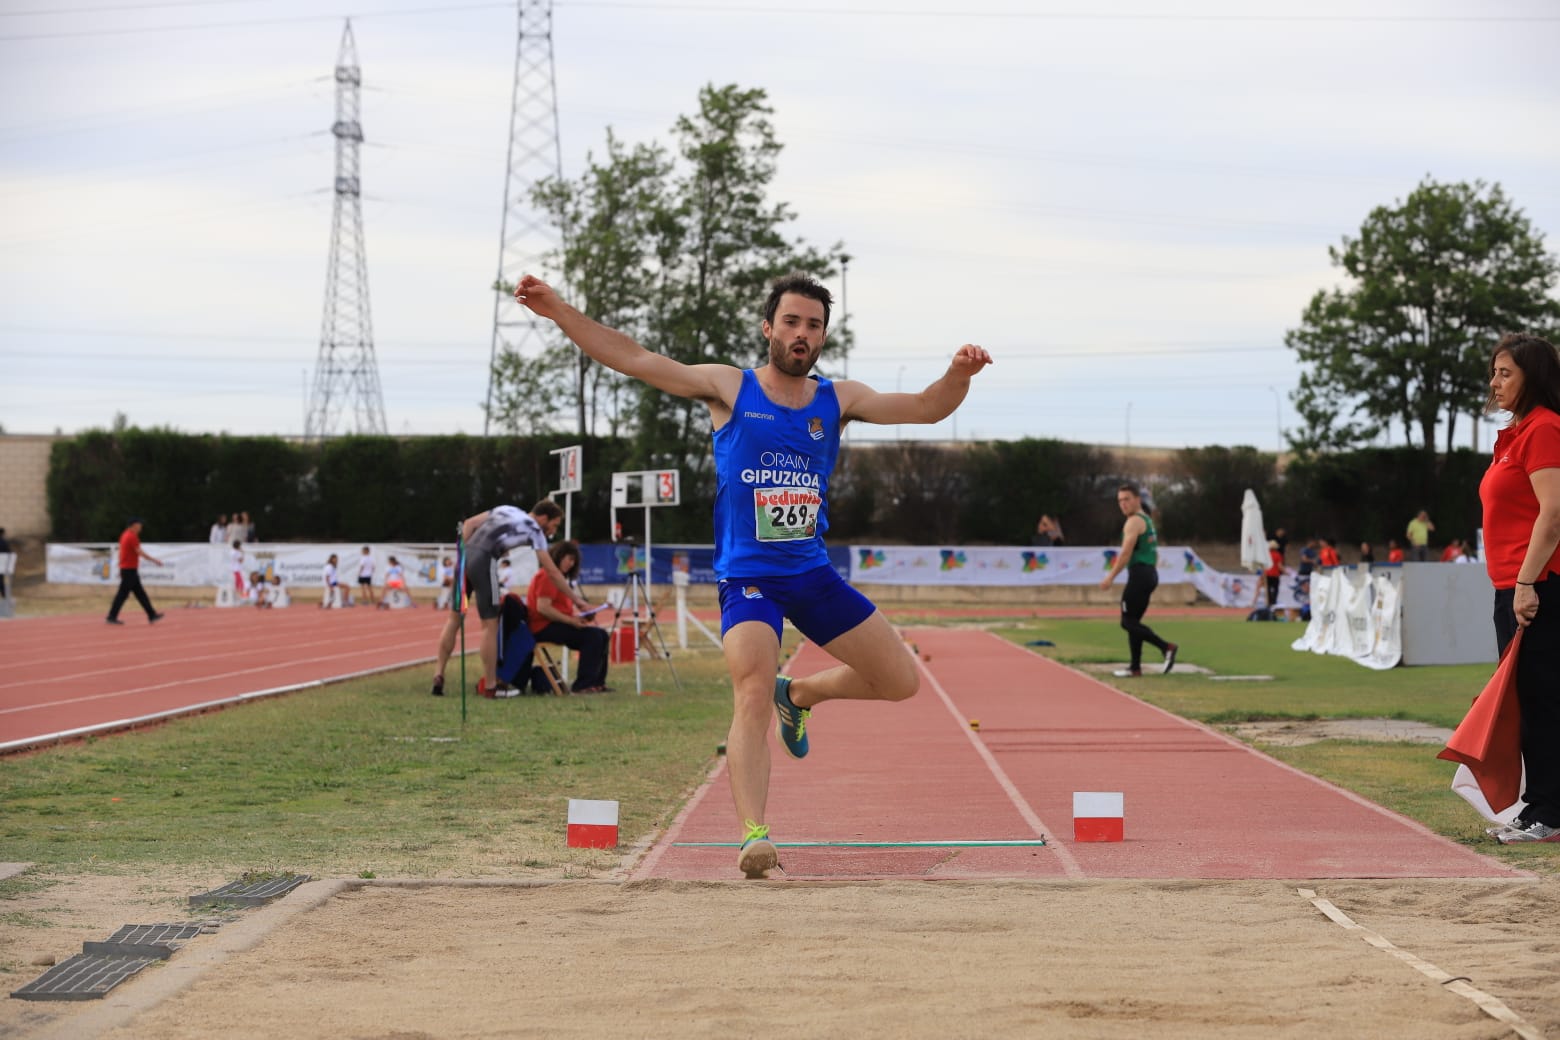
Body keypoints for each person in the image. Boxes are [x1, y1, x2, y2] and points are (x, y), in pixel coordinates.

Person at [515, 271, 992, 878]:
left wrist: (959, 375)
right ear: (769, 328)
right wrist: (560, 312)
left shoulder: (837, 399)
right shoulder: (729, 388)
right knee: (748, 692)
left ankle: (802, 693)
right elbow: (634, 358)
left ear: (822, 337)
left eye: (813, 325)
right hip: (749, 579)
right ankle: (755, 836)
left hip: (812, 575)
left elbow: (927, 408)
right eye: (791, 322)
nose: (802, 334)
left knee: (900, 681)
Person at [1478, 332, 1560, 844]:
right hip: (1511, 586)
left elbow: (1553, 515)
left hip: (1538, 587)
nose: (1495, 382)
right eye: (1494, 372)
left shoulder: (1546, 429)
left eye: (1505, 372)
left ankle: (1549, 812)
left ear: (1534, 376)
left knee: (1542, 699)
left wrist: (1527, 583)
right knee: (1526, 701)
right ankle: (1538, 806)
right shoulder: (1515, 434)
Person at [429, 499, 573, 699]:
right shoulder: (535, 531)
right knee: (490, 624)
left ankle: (438, 675)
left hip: (464, 559)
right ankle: (490, 686)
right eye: (554, 525)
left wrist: (464, 556)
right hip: (483, 563)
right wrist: (576, 599)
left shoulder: (507, 509)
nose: (553, 531)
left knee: (454, 619)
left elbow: (469, 523)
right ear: (543, 518)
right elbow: (553, 572)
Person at [1098, 484, 1178, 677]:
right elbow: (1153, 552)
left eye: (1127, 499)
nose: (1123, 504)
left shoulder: (1133, 522)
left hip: (1140, 574)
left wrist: (1110, 577)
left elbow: (1125, 553)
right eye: (1120, 500)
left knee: (1126, 622)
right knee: (1134, 621)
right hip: (1148, 573)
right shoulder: (1147, 521)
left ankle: (1166, 647)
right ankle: (1135, 667)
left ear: (1137, 500)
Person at [528, 540, 612, 693]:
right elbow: (543, 608)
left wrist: (582, 616)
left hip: (556, 623)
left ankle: (597, 683)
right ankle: (583, 685)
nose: (571, 564)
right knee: (592, 637)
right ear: (559, 556)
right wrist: (571, 621)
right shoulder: (548, 576)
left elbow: (561, 609)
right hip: (543, 626)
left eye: (574, 560)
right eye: (569, 559)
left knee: (602, 635)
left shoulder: (560, 580)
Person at [106, 518, 165, 624]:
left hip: (128, 569)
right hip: (129, 570)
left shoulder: (124, 535)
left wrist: (121, 568)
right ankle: (111, 616)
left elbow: (123, 553)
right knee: (123, 594)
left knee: (139, 593)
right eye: (139, 525)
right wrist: (154, 560)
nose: (141, 527)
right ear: (134, 525)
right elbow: (139, 552)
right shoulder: (131, 536)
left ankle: (151, 614)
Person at [1264, 539, 1283, 607]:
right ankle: (1273, 602)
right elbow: (1279, 566)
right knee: (1275, 589)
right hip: (1275, 574)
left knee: (1268, 589)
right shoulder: (1277, 555)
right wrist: (1285, 571)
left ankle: (1268, 602)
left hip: (1267, 574)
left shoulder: (1266, 555)